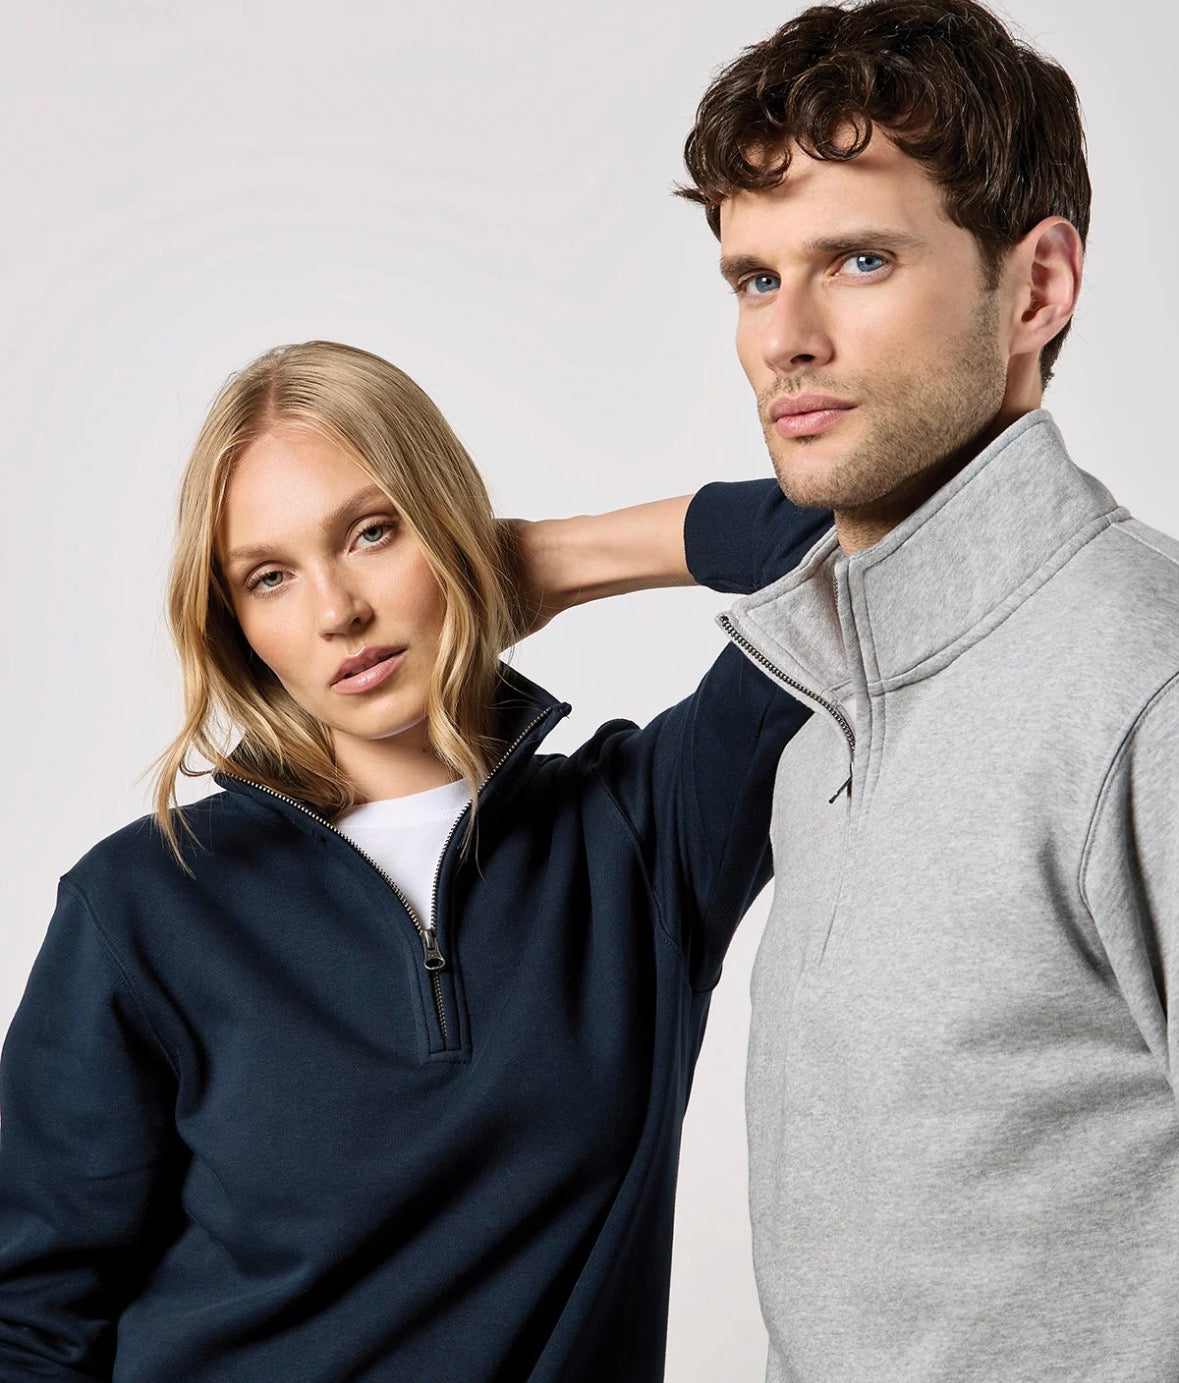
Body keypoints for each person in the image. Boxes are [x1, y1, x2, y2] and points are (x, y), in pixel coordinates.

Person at [0, 339, 826, 1381]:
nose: (337, 610)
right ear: (237, 624)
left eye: (374, 532)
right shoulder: (144, 904)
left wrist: (539, 560)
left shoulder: (643, 836)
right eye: (269, 577)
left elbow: (869, 535)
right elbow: (28, 1324)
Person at [674, 0, 1179, 1378]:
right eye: (753, 278)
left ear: (1037, 287)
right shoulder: (821, 728)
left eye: (859, 260)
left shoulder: (1145, 688)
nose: (785, 338)